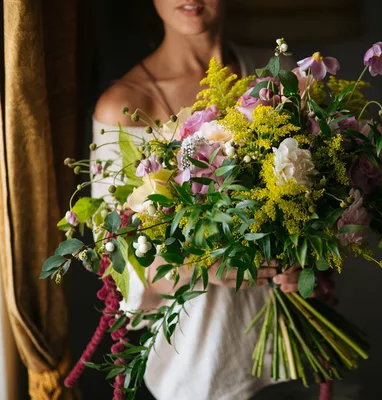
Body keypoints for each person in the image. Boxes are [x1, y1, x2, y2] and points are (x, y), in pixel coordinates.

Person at [92, 1, 314, 399]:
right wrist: (204, 268)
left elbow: (316, 203)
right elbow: (115, 260)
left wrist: (305, 257)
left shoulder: (277, 81)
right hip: (199, 369)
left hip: (292, 357)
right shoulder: (123, 107)